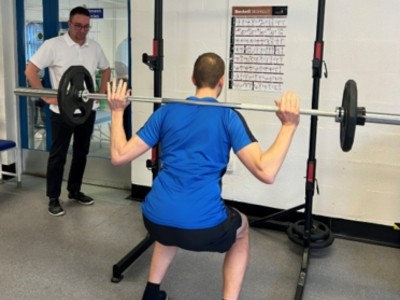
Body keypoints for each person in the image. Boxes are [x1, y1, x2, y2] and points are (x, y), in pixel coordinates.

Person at [107, 52, 300, 300]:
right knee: (242, 229)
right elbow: (266, 171)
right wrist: (289, 126)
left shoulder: (166, 112)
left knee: (170, 225)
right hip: (202, 226)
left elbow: (119, 155)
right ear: (221, 81)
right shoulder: (228, 116)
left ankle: (151, 293)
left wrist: (116, 111)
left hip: (153, 218)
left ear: (192, 79)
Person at [25, 6, 111, 217]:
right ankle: (53, 198)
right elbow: (31, 70)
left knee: (81, 152)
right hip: (61, 111)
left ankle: (74, 190)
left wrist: (98, 97)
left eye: (86, 27)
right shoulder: (53, 45)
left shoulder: (94, 47)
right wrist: (45, 95)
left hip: (85, 110)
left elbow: (106, 69)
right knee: (58, 155)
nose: (82, 31)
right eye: (78, 26)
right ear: (70, 24)